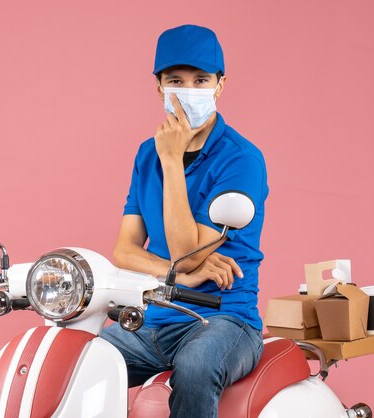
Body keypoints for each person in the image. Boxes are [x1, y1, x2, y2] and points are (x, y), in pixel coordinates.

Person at [100, 24, 269, 418]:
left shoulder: (241, 159)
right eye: (176, 80)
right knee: (75, 361)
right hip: (153, 319)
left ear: (220, 85)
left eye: (201, 80)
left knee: (196, 369)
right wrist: (178, 276)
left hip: (224, 319)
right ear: (159, 87)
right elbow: (124, 250)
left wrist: (173, 160)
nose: (188, 89)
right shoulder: (146, 155)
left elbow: (186, 254)